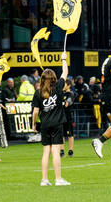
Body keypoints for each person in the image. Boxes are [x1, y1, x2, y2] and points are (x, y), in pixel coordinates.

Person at [32, 52, 70, 186]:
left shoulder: (37, 92)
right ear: (54, 78)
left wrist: (33, 125)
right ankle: (58, 179)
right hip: (57, 123)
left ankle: (44, 179)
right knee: (55, 152)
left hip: (45, 124)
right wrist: (63, 59)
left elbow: (36, 111)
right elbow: (65, 72)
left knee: (45, 152)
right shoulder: (59, 86)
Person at [60, 79, 76, 158]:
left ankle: (70, 150)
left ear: (69, 85)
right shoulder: (61, 94)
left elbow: (68, 102)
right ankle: (62, 151)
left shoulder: (71, 94)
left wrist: (65, 102)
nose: (63, 86)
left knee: (70, 134)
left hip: (68, 117)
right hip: (60, 117)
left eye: (64, 84)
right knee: (61, 134)